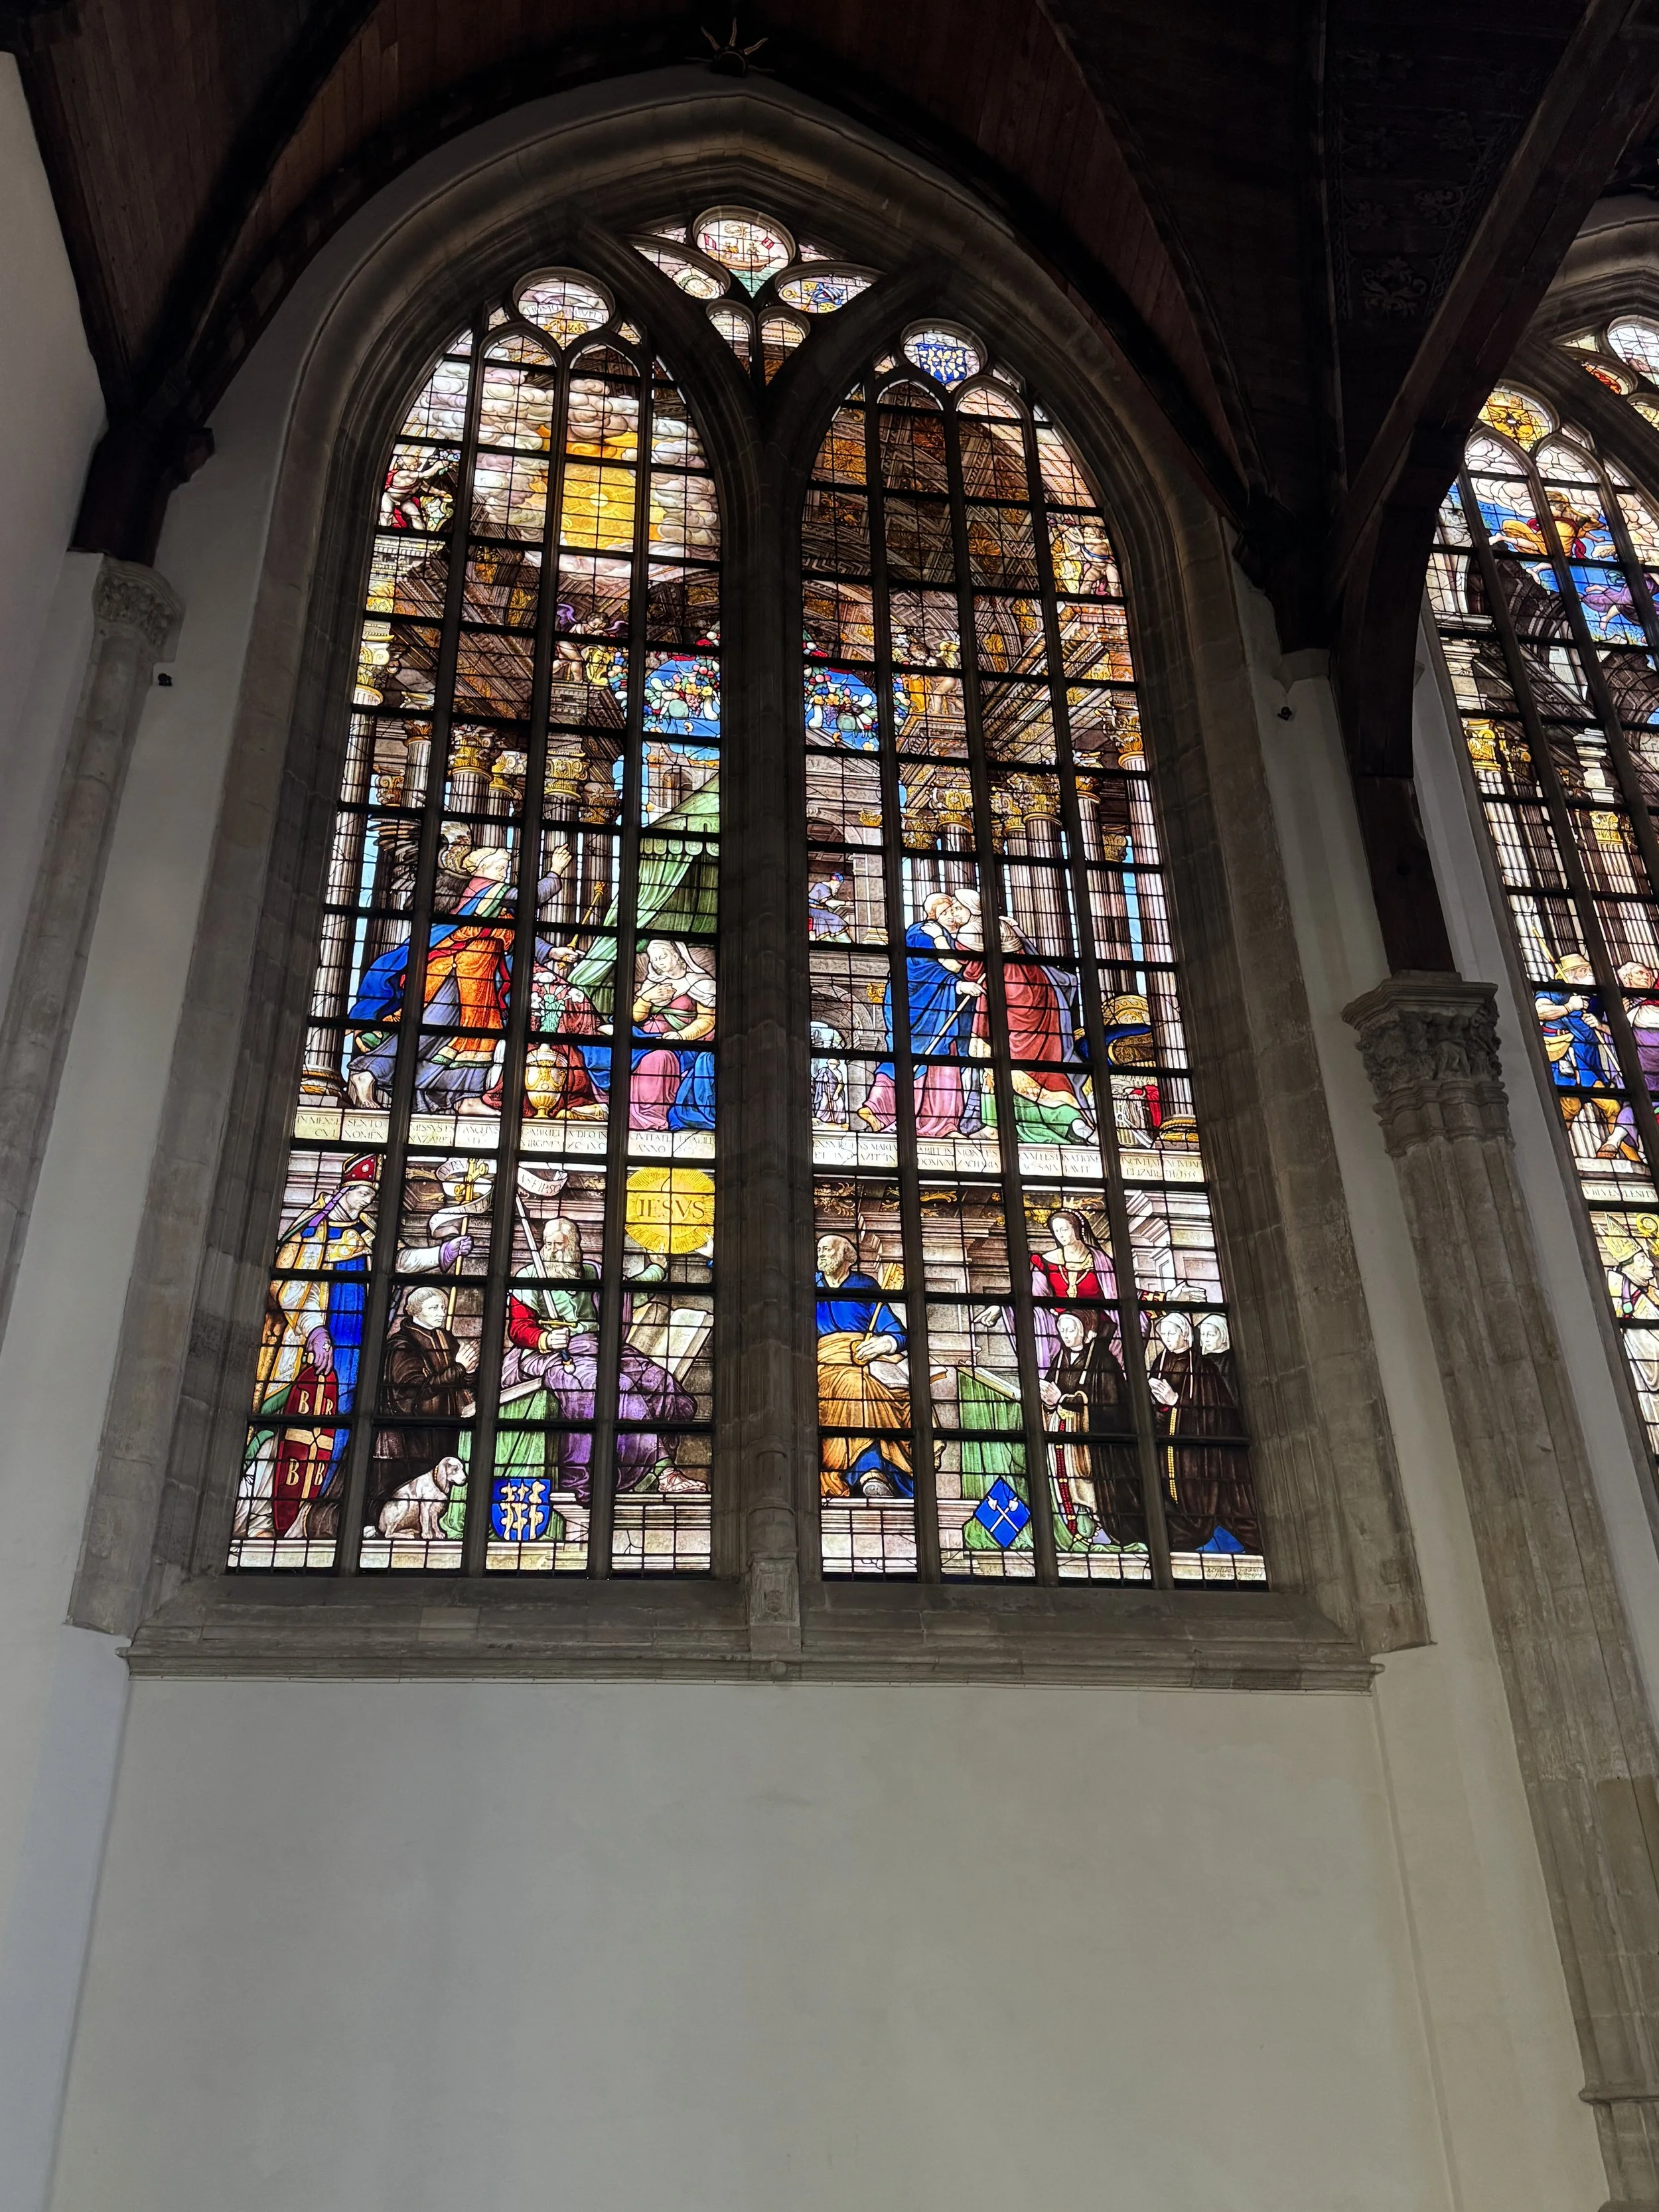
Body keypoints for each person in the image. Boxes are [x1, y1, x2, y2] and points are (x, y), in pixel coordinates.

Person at [245, 1154, 378, 1539]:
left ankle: (314, 1515)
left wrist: (439, 1254)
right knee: (292, 1429)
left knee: (343, 1425)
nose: (367, 1200)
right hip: (310, 1349)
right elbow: (289, 1285)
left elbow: (397, 1262)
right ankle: (266, 1518)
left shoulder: (367, 1233)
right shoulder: (313, 1233)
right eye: (363, 1192)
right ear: (346, 1189)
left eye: (371, 1194)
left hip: (356, 1352)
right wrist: (315, 1329)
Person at [859, 892, 981, 1136]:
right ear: (933, 914)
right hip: (919, 1007)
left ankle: (940, 1122)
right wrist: (957, 984)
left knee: (936, 1058)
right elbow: (924, 970)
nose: (951, 917)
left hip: (935, 1007)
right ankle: (884, 1109)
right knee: (918, 1056)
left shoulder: (942, 935)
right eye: (945, 912)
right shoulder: (922, 933)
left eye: (953, 911)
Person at [972, 915, 1094, 1142]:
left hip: (1015, 1041)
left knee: (998, 1072)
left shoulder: (1001, 971)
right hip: (1043, 1042)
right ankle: (1073, 1122)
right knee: (1045, 1079)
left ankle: (994, 1127)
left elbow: (994, 997)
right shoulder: (1033, 967)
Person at [1147, 1310, 1258, 1554]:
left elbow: (1215, 1413)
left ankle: (1202, 1532)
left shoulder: (1203, 1367)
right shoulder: (1159, 1363)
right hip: (1165, 1445)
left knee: (1194, 1491)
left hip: (1195, 1452)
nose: (1166, 1338)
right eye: (1163, 1333)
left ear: (1186, 1335)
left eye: (1171, 1332)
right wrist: (1162, 1407)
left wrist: (1176, 1401)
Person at [368, 1286, 478, 1528]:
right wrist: (458, 1369)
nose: (441, 1313)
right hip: (413, 1435)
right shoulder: (402, 1346)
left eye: (442, 1307)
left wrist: (468, 1372)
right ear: (416, 1312)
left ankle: (433, 1525)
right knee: (416, 1488)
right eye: (434, 1308)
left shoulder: (445, 1339)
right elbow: (414, 1391)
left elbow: (461, 1383)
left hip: (446, 1428)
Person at [815, 1232, 913, 1500]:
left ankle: (880, 1473)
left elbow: (899, 1333)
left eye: (828, 1249)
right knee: (856, 1386)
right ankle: (870, 1473)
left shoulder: (865, 1286)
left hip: (865, 1364)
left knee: (896, 1394)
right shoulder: (807, 1285)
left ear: (847, 1256)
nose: (821, 1254)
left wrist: (885, 1344)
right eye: (819, 1249)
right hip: (821, 1365)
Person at [1041, 1309, 1142, 1549]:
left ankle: (1101, 1527)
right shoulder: (1060, 1360)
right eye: (1062, 1330)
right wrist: (1047, 1402)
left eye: (1071, 1329)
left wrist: (1065, 1401)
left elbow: (1111, 1407)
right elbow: (1052, 1392)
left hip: (1094, 1448)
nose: (1065, 1335)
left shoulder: (1103, 1361)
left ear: (1086, 1332)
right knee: (1067, 1485)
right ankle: (1074, 1527)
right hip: (1063, 1440)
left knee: (1090, 1489)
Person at [631, 939, 717, 1130]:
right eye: (655, 960)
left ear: (678, 956)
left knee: (659, 1058)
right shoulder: (653, 983)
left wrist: (681, 1036)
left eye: (663, 956)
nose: (659, 963)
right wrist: (645, 999)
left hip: (683, 1046)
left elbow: (708, 1020)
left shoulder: (701, 983)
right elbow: (636, 1017)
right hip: (646, 1038)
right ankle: (634, 1119)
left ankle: (653, 1119)